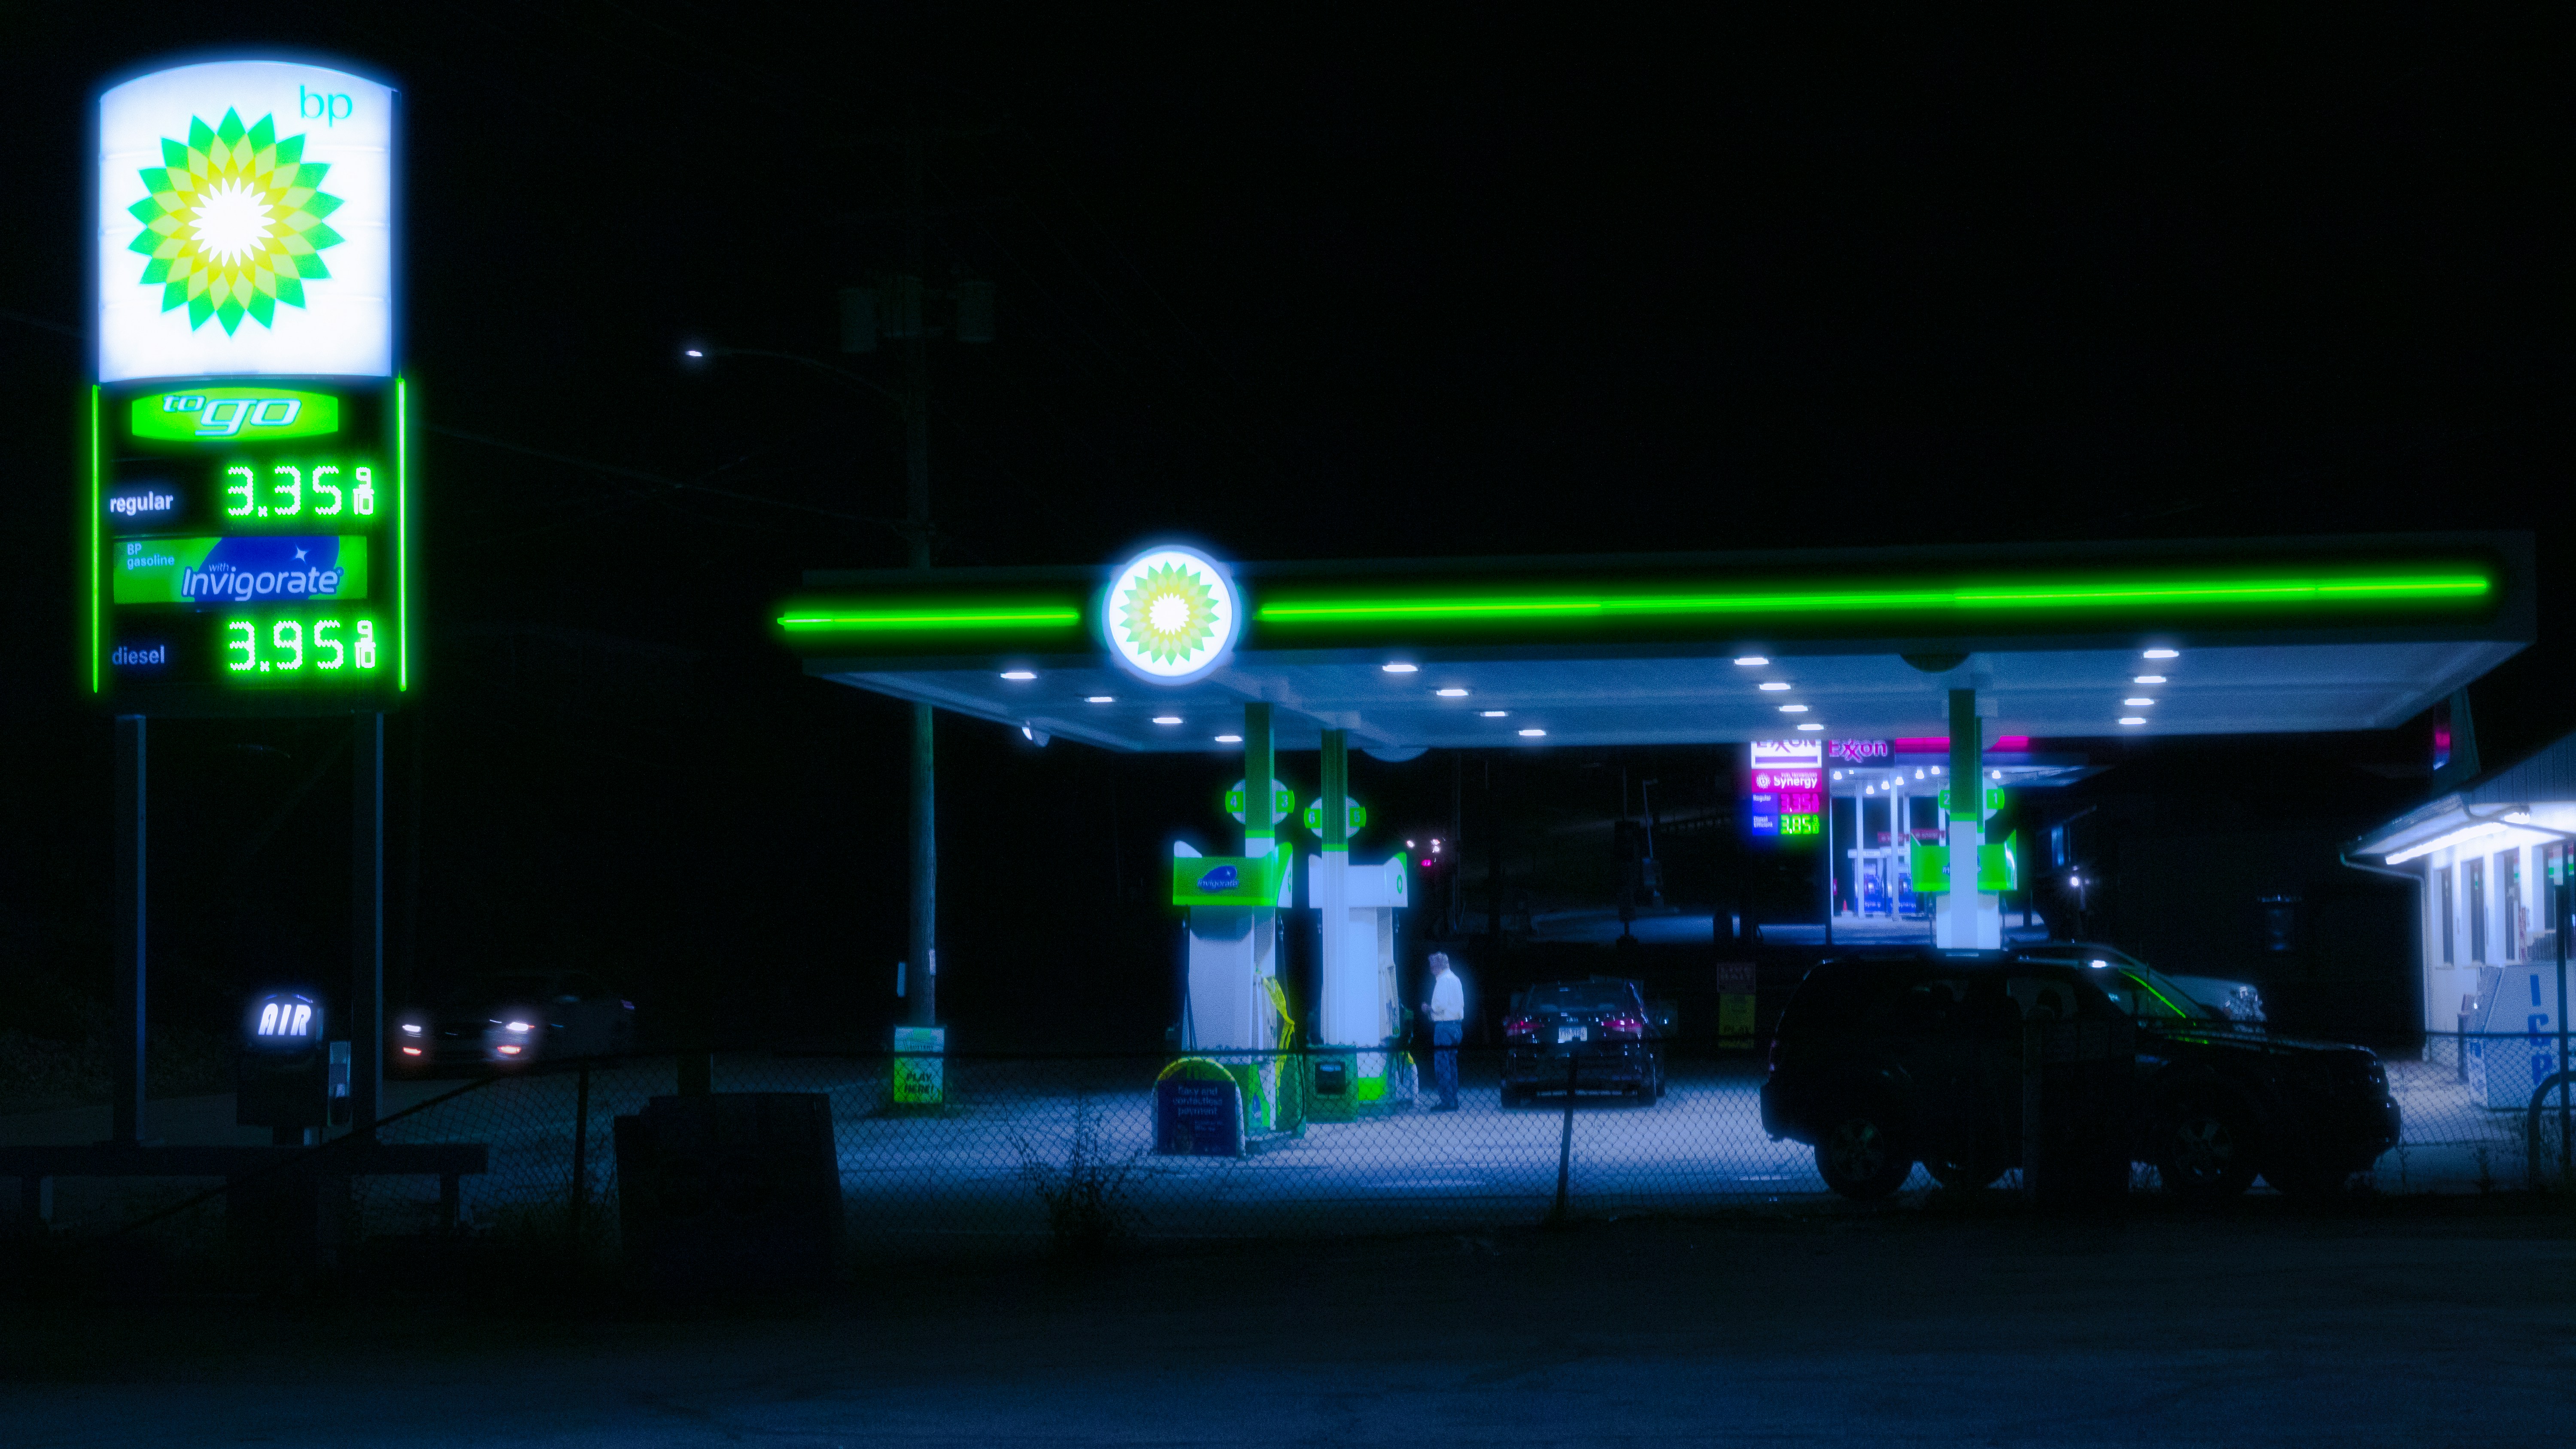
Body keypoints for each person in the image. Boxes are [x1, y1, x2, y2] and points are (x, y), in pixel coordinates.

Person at [1424, 951, 1466, 1111]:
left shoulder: (1442, 981)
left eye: (1432, 965)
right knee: (1452, 1064)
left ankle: (1446, 1101)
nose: (1431, 968)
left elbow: (1439, 1006)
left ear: (1439, 966)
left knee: (1442, 1065)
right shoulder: (1456, 979)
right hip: (1457, 1027)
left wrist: (1428, 1008)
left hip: (1444, 1027)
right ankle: (1453, 1099)